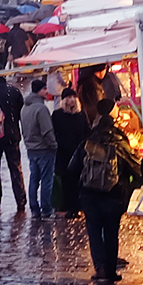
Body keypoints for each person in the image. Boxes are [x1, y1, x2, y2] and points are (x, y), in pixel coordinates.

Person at [72, 99, 141, 282]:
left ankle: (100, 268)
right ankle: (110, 271)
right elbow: (136, 167)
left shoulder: (88, 140)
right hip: (114, 195)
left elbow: (72, 167)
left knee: (94, 232)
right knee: (111, 233)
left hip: (89, 195)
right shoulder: (119, 141)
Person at [0, 72, 27, 212]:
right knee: (15, 168)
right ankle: (20, 200)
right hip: (12, 135)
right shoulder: (14, 91)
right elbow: (21, 113)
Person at [20, 77, 58, 220]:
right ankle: (46, 209)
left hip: (31, 149)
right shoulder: (41, 109)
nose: (47, 91)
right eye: (45, 89)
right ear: (40, 91)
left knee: (34, 179)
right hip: (44, 149)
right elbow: (47, 131)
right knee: (46, 180)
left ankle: (34, 208)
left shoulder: (25, 108)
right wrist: (54, 145)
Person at [51, 87, 89, 217]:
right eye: (69, 97)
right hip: (63, 154)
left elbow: (86, 133)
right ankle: (68, 207)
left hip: (78, 153)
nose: (72, 100)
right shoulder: (57, 115)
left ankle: (78, 206)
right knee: (66, 181)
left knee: (78, 180)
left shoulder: (81, 115)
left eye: (74, 97)